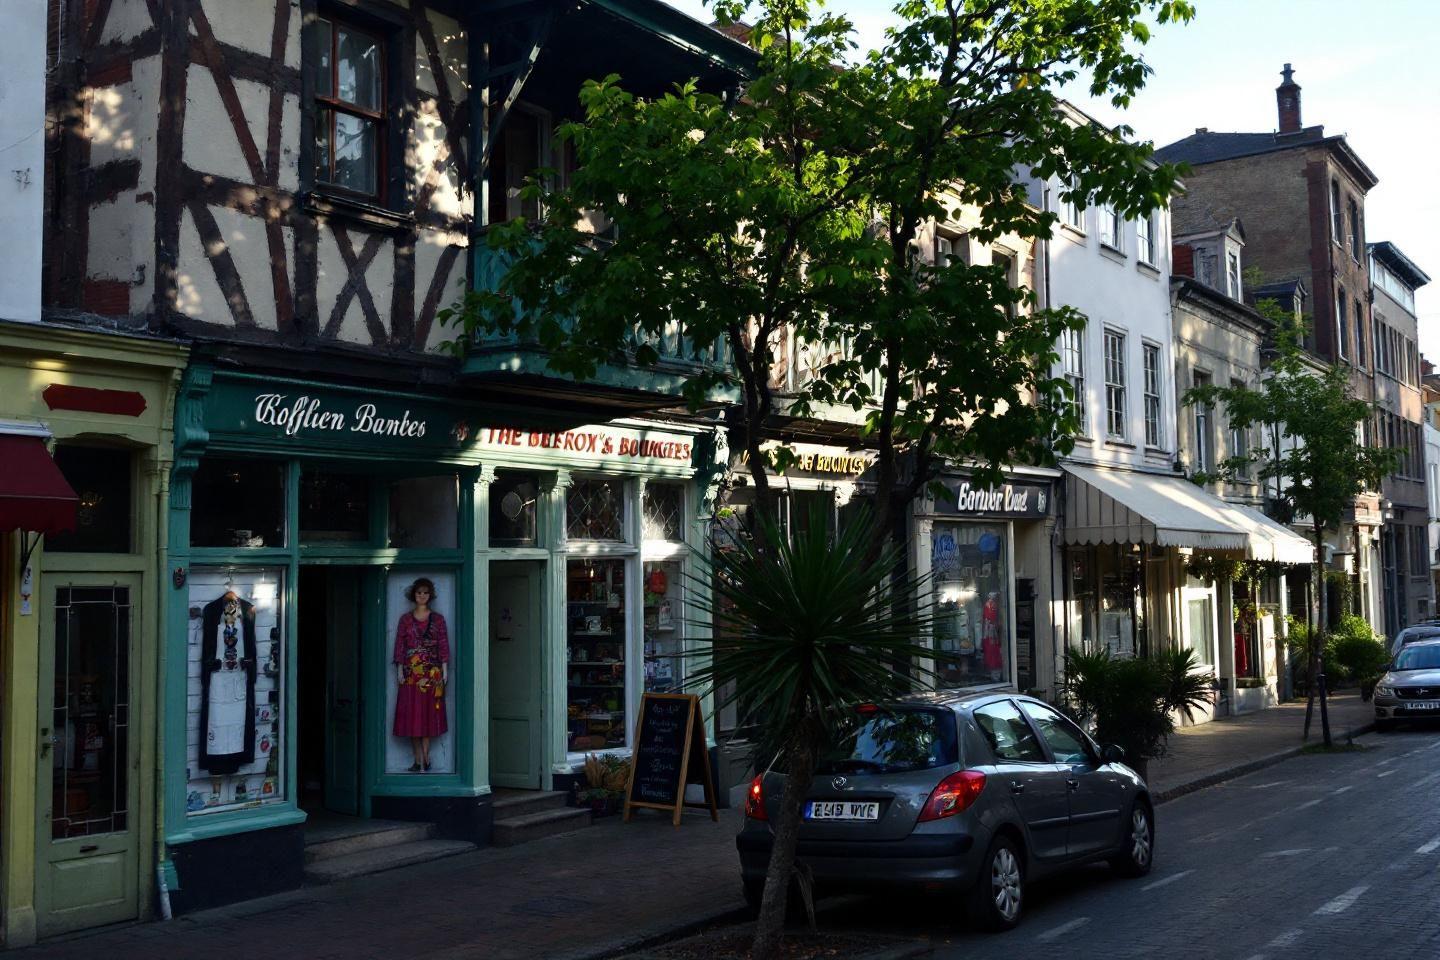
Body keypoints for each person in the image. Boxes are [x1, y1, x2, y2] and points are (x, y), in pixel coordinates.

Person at [393, 578, 449, 771]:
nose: (422, 596)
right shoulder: (405, 620)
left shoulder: (438, 619)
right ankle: (417, 759)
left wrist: (444, 669)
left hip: (432, 674)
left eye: (425, 592)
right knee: (412, 716)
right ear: (413, 595)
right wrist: (399, 669)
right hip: (410, 674)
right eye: (419, 593)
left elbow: (443, 643)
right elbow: (400, 645)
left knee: (428, 715)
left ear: (430, 595)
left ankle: (425, 758)